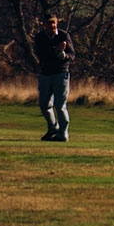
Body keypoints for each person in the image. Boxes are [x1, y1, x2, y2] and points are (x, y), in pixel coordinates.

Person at [34, 14, 75, 142]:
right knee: (44, 104)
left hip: (61, 74)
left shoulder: (64, 35)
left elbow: (72, 55)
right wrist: (56, 50)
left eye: (54, 22)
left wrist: (63, 55)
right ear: (44, 25)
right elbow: (42, 54)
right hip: (45, 73)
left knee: (60, 105)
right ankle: (53, 127)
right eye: (49, 23)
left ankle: (63, 134)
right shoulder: (40, 37)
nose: (52, 25)